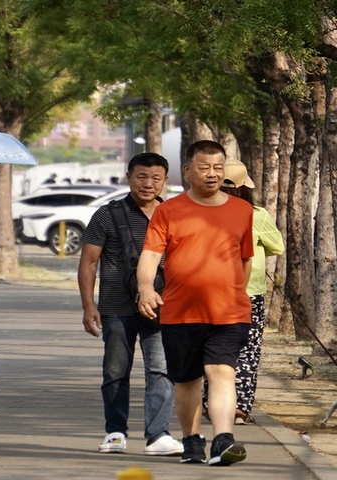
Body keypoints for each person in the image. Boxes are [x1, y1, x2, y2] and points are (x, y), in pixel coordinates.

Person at [136, 140, 253, 466]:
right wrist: (146, 289)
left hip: (229, 312)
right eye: (204, 167)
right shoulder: (168, 211)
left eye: (218, 167)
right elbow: (150, 256)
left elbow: (244, 259)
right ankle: (191, 440)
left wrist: (237, 294)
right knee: (187, 380)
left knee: (221, 371)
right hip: (180, 312)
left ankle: (224, 439)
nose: (212, 174)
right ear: (187, 170)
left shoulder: (241, 210)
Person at [78, 152, 183, 456]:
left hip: (164, 306)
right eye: (141, 176)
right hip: (115, 308)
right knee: (115, 371)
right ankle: (115, 432)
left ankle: (158, 435)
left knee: (161, 370)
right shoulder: (106, 215)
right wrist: (88, 305)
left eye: (156, 178)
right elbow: (88, 263)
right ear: (128, 177)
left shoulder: (174, 214)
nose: (148, 184)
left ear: (165, 181)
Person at [202, 160, 284, 425]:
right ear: (245, 187)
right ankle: (239, 408)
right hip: (249, 293)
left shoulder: (203, 211)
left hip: (209, 290)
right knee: (248, 351)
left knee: (211, 348)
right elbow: (277, 246)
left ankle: (210, 403)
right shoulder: (256, 214)